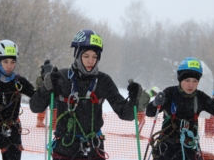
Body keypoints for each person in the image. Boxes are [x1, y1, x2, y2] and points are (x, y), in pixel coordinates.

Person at [29, 29, 142, 160]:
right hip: (64, 149)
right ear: (77, 55)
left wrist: (134, 99)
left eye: (95, 57)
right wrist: (45, 88)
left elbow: (126, 114)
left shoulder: (104, 81)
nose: (91, 61)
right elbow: (35, 107)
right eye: (86, 56)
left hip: (94, 150)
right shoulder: (61, 77)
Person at [145, 57, 214, 160]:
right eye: (187, 80)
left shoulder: (200, 97)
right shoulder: (170, 93)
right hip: (167, 148)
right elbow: (150, 112)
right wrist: (155, 103)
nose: (191, 85)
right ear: (180, 79)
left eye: (195, 81)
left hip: (189, 149)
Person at [35, 59, 57, 129]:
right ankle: (54, 124)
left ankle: (40, 122)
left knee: (42, 108)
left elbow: (37, 86)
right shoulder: (52, 75)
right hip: (52, 94)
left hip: (43, 94)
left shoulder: (40, 77)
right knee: (54, 109)